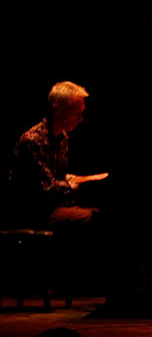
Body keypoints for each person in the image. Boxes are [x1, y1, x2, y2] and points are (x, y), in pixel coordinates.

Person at [10, 81, 108, 228]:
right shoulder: (32, 141)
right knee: (95, 218)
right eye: (76, 114)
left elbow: (58, 177)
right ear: (57, 111)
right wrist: (85, 182)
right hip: (35, 212)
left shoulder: (62, 137)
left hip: (55, 206)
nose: (81, 119)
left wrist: (93, 179)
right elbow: (47, 188)